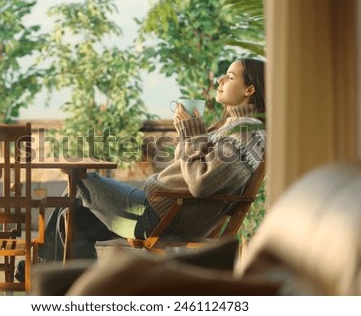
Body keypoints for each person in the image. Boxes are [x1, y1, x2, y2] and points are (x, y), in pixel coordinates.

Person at [16, 58, 266, 282]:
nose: (220, 80)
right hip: (158, 208)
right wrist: (190, 134)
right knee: (74, 220)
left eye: (230, 76)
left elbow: (201, 183)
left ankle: (42, 271)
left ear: (250, 89)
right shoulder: (231, 126)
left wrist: (191, 135)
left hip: (161, 217)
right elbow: (191, 166)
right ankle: (72, 289)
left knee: (80, 181)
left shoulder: (247, 133)